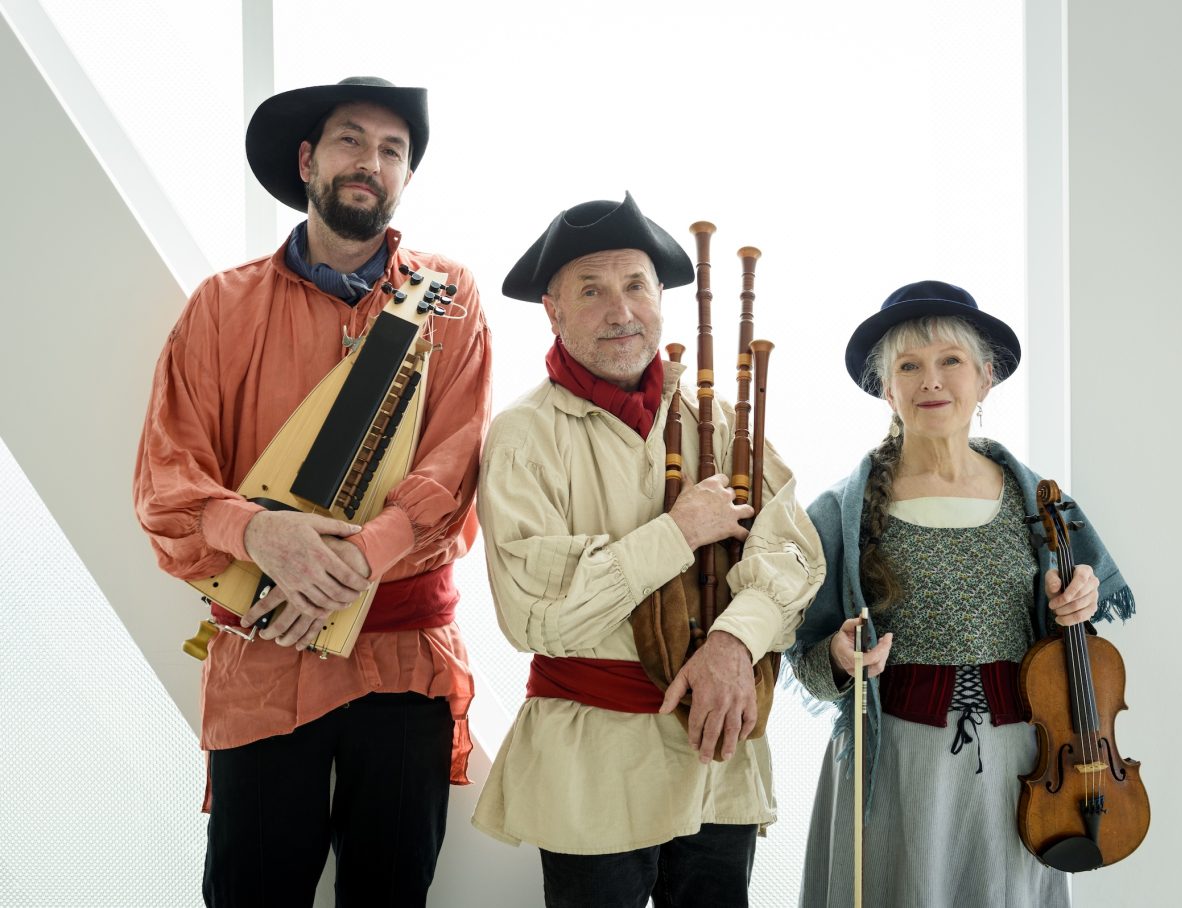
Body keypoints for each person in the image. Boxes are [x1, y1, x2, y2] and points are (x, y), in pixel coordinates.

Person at [133, 76, 491, 907]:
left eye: (392, 150)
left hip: (401, 659)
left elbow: (455, 464)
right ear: (306, 161)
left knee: (391, 894)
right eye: (350, 140)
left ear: (405, 177)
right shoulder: (222, 307)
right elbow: (166, 477)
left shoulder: (446, 299)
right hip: (267, 653)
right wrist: (260, 535)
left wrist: (353, 563)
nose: (371, 161)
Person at [470, 192, 825, 907]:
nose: (620, 310)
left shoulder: (718, 419)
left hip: (717, 753)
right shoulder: (521, 436)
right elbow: (536, 617)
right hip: (592, 767)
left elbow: (793, 557)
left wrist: (734, 641)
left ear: (660, 298)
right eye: (591, 291)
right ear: (553, 311)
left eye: (635, 285)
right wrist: (677, 533)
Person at [787, 281, 1136, 907]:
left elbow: (1075, 638)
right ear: (887, 389)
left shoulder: (1039, 500)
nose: (931, 381)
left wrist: (1077, 604)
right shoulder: (840, 511)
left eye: (950, 360)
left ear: (985, 377)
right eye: (908, 366)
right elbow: (806, 659)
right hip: (895, 760)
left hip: (1021, 765)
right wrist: (839, 657)